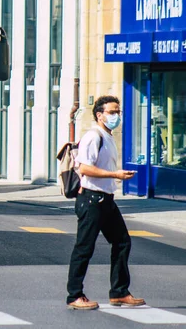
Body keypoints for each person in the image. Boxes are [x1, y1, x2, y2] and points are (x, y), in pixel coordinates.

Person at [66, 95, 144, 310]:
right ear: (99, 115)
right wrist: (114, 174)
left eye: (118, 111)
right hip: (92, 198)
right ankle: (74, 295)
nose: (116, 115)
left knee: (122, 242)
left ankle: (119, 292)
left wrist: (114, 176)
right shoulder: (93, 136)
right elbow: (84, 168)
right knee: (84, 248)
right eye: (112, 112)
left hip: (106, 200)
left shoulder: (107, 136)